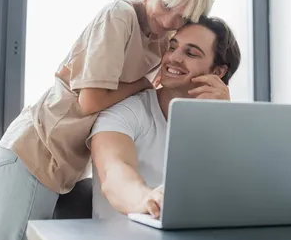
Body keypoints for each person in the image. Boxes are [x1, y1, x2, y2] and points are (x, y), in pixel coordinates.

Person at [0, 0, 215, 240]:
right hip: (34, 152)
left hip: (63, 166)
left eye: (184, 17)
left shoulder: (161, 39)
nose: (170, 20)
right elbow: (90, 101)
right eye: (168, 5)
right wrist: (144, 85)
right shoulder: (120, 15)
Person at [88, 16, 240, 220]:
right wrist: (147, 200)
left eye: (191, 53)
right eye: (172, 47)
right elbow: (114, 172)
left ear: (217, 72)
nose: (173, 58)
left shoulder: (222, 126)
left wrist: (226, 119)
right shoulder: (125, 112)